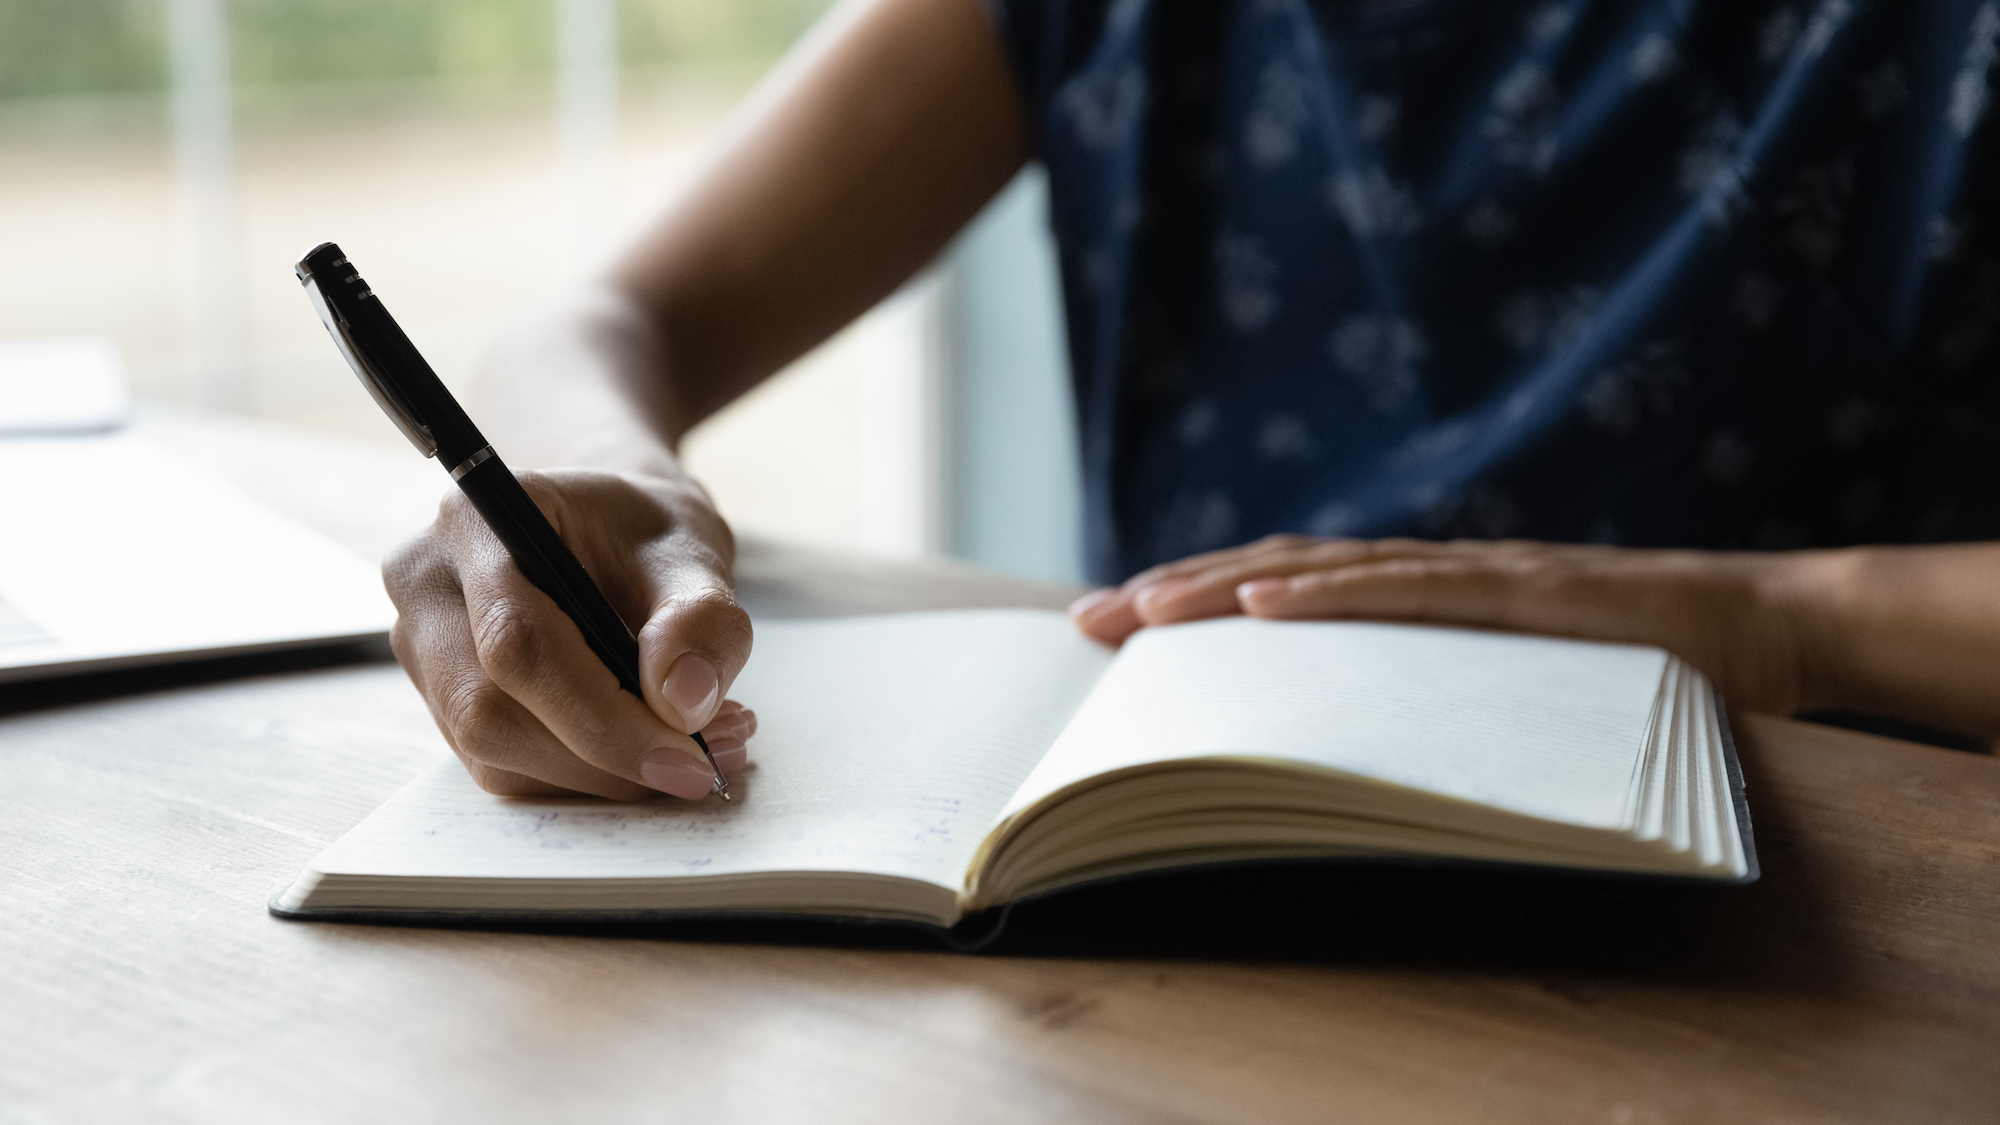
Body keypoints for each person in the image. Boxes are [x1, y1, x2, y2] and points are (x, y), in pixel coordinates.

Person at [385, 0, 2000, 801]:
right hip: (1151, 891)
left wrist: (1776, 621)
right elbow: (609, 319)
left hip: (1821, 870)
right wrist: (601, 474)